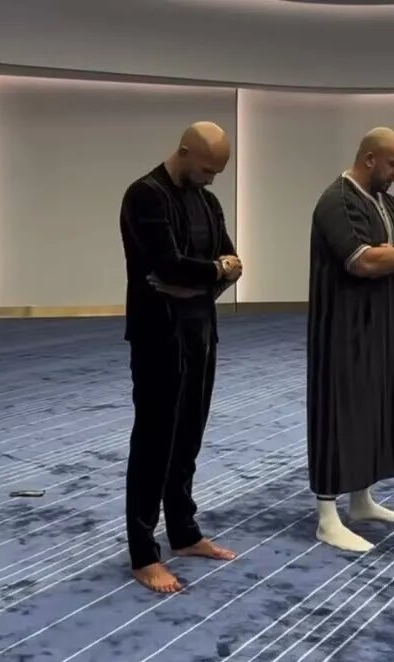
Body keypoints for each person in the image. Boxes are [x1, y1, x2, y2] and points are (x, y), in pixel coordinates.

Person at [117, 121, 242, 594]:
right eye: (208, 168)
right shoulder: (145, 196)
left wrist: (202, 277)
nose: (213, 179)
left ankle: (184, 532)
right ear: (185, 151)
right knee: (154, 439)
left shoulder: (207, 201)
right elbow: (164, 266)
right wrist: (212, 272)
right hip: (158, 336)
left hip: (200, 332)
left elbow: (232, 261)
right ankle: (143, 552)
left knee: (189, 433)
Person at [306, 127, 394, 553]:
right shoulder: (336, 200)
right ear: (371, 159)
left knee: (372, 405)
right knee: (337, 411)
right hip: (341, 326)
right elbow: (364, 261)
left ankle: (361, 501)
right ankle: (326, 516)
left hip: (379, 323)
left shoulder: (385, 202)